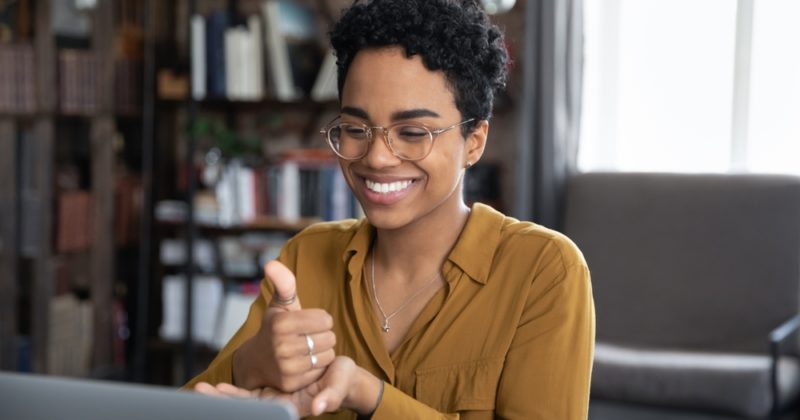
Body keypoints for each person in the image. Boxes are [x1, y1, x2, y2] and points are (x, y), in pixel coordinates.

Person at [188, 0, 595, 418]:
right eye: (355, 129)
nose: (378, 158)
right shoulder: (306, 258)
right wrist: (249, 365)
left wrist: (369, 395)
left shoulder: (544, 271)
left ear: (474, 141)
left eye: (413, 132)